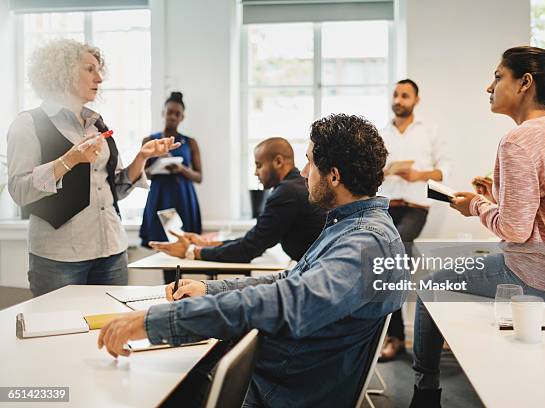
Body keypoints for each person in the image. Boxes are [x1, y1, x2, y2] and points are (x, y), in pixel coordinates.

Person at [98, 114, 408, 407]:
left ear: (335, 176)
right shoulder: (354, 227)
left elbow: (289, 300)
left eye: (309, 162)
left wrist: (157, 322)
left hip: (279, 389)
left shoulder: (365, 242)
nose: (303, 172)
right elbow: (288, 281)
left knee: (138, 386)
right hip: (282, 373)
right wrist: (210, 291)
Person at [409, 46, 545, 408]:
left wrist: (475, 206)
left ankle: (425, 394)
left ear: (524, 83)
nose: (490, 86)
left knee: (429, 287)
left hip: (544, 273)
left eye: (498, 77)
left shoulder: (517, 140)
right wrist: (497, 196)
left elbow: (514, 231)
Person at [6, 39, 179, 297]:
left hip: (112, 252)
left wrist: (142, 157)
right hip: (59, 258)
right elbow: (20, 191)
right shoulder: (28, 123)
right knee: (60, 332)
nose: (99, 78)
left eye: (99, 70)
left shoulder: (97, 124)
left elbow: (115, 189)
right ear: (62, 71)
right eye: (89, 69)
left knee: (110, 332)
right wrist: (69, 160)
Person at [149, 137, 326, 264]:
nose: (256, 173)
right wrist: (205, 243)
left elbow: (248, 249)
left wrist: (191, 252)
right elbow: (255, 238)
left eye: (259, 165)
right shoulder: (294, 187)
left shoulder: (287, 193)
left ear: (278, 161)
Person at [378, 78, 451, 361]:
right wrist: (386, 170)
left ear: (416, 101)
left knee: (392, 259)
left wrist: (419, 175)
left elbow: (444, 169)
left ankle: (395, 337)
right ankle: (393, 336)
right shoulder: (382, 133)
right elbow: (373, 171)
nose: (399, 100)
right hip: (386, 206)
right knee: (387, 268)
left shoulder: (429, 131)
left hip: (415, 208)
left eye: (405, 96)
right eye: (396, 95)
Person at [139, 91, 202, 283]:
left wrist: (181, 168)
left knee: (185, 244)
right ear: (163, 113)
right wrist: (158, 168)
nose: (173, 117)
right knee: (165, 247)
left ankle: (184, 288)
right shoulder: (150, 140)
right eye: (170, 112)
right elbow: (141, 173)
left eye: (177, 113)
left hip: (183, 199)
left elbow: (199, 176)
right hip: (161, 198)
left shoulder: (190, 142)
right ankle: (169, 291)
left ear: (182, 117)